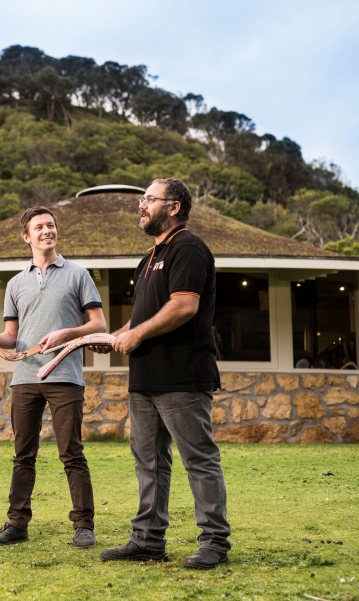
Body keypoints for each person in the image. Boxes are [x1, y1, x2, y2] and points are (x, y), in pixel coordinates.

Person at [97, 178, 231, 569]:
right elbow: (144, 315)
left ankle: (215, 542)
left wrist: (136, 334)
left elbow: (184, 305)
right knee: (149, 461)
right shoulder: (149, 258)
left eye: (149, 200)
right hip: (145, 378)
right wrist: (115, 335)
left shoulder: (188, 247)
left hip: (182, 375)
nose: (141, 206)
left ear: (172, 207)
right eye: (142, 200)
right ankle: (147, 540)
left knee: (198, 459)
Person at [0, 206, 106, 549]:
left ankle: (84, 525)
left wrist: (66, 333)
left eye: (51, 225)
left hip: (66, 375)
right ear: (26, 237)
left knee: (71, 453)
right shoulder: (15, 283)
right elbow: (12, 336)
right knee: (23, 454)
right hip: (25, 378)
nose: (47, 231)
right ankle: (17, 523)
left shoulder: (78, 274)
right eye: (39, 227)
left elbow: (98, 325)